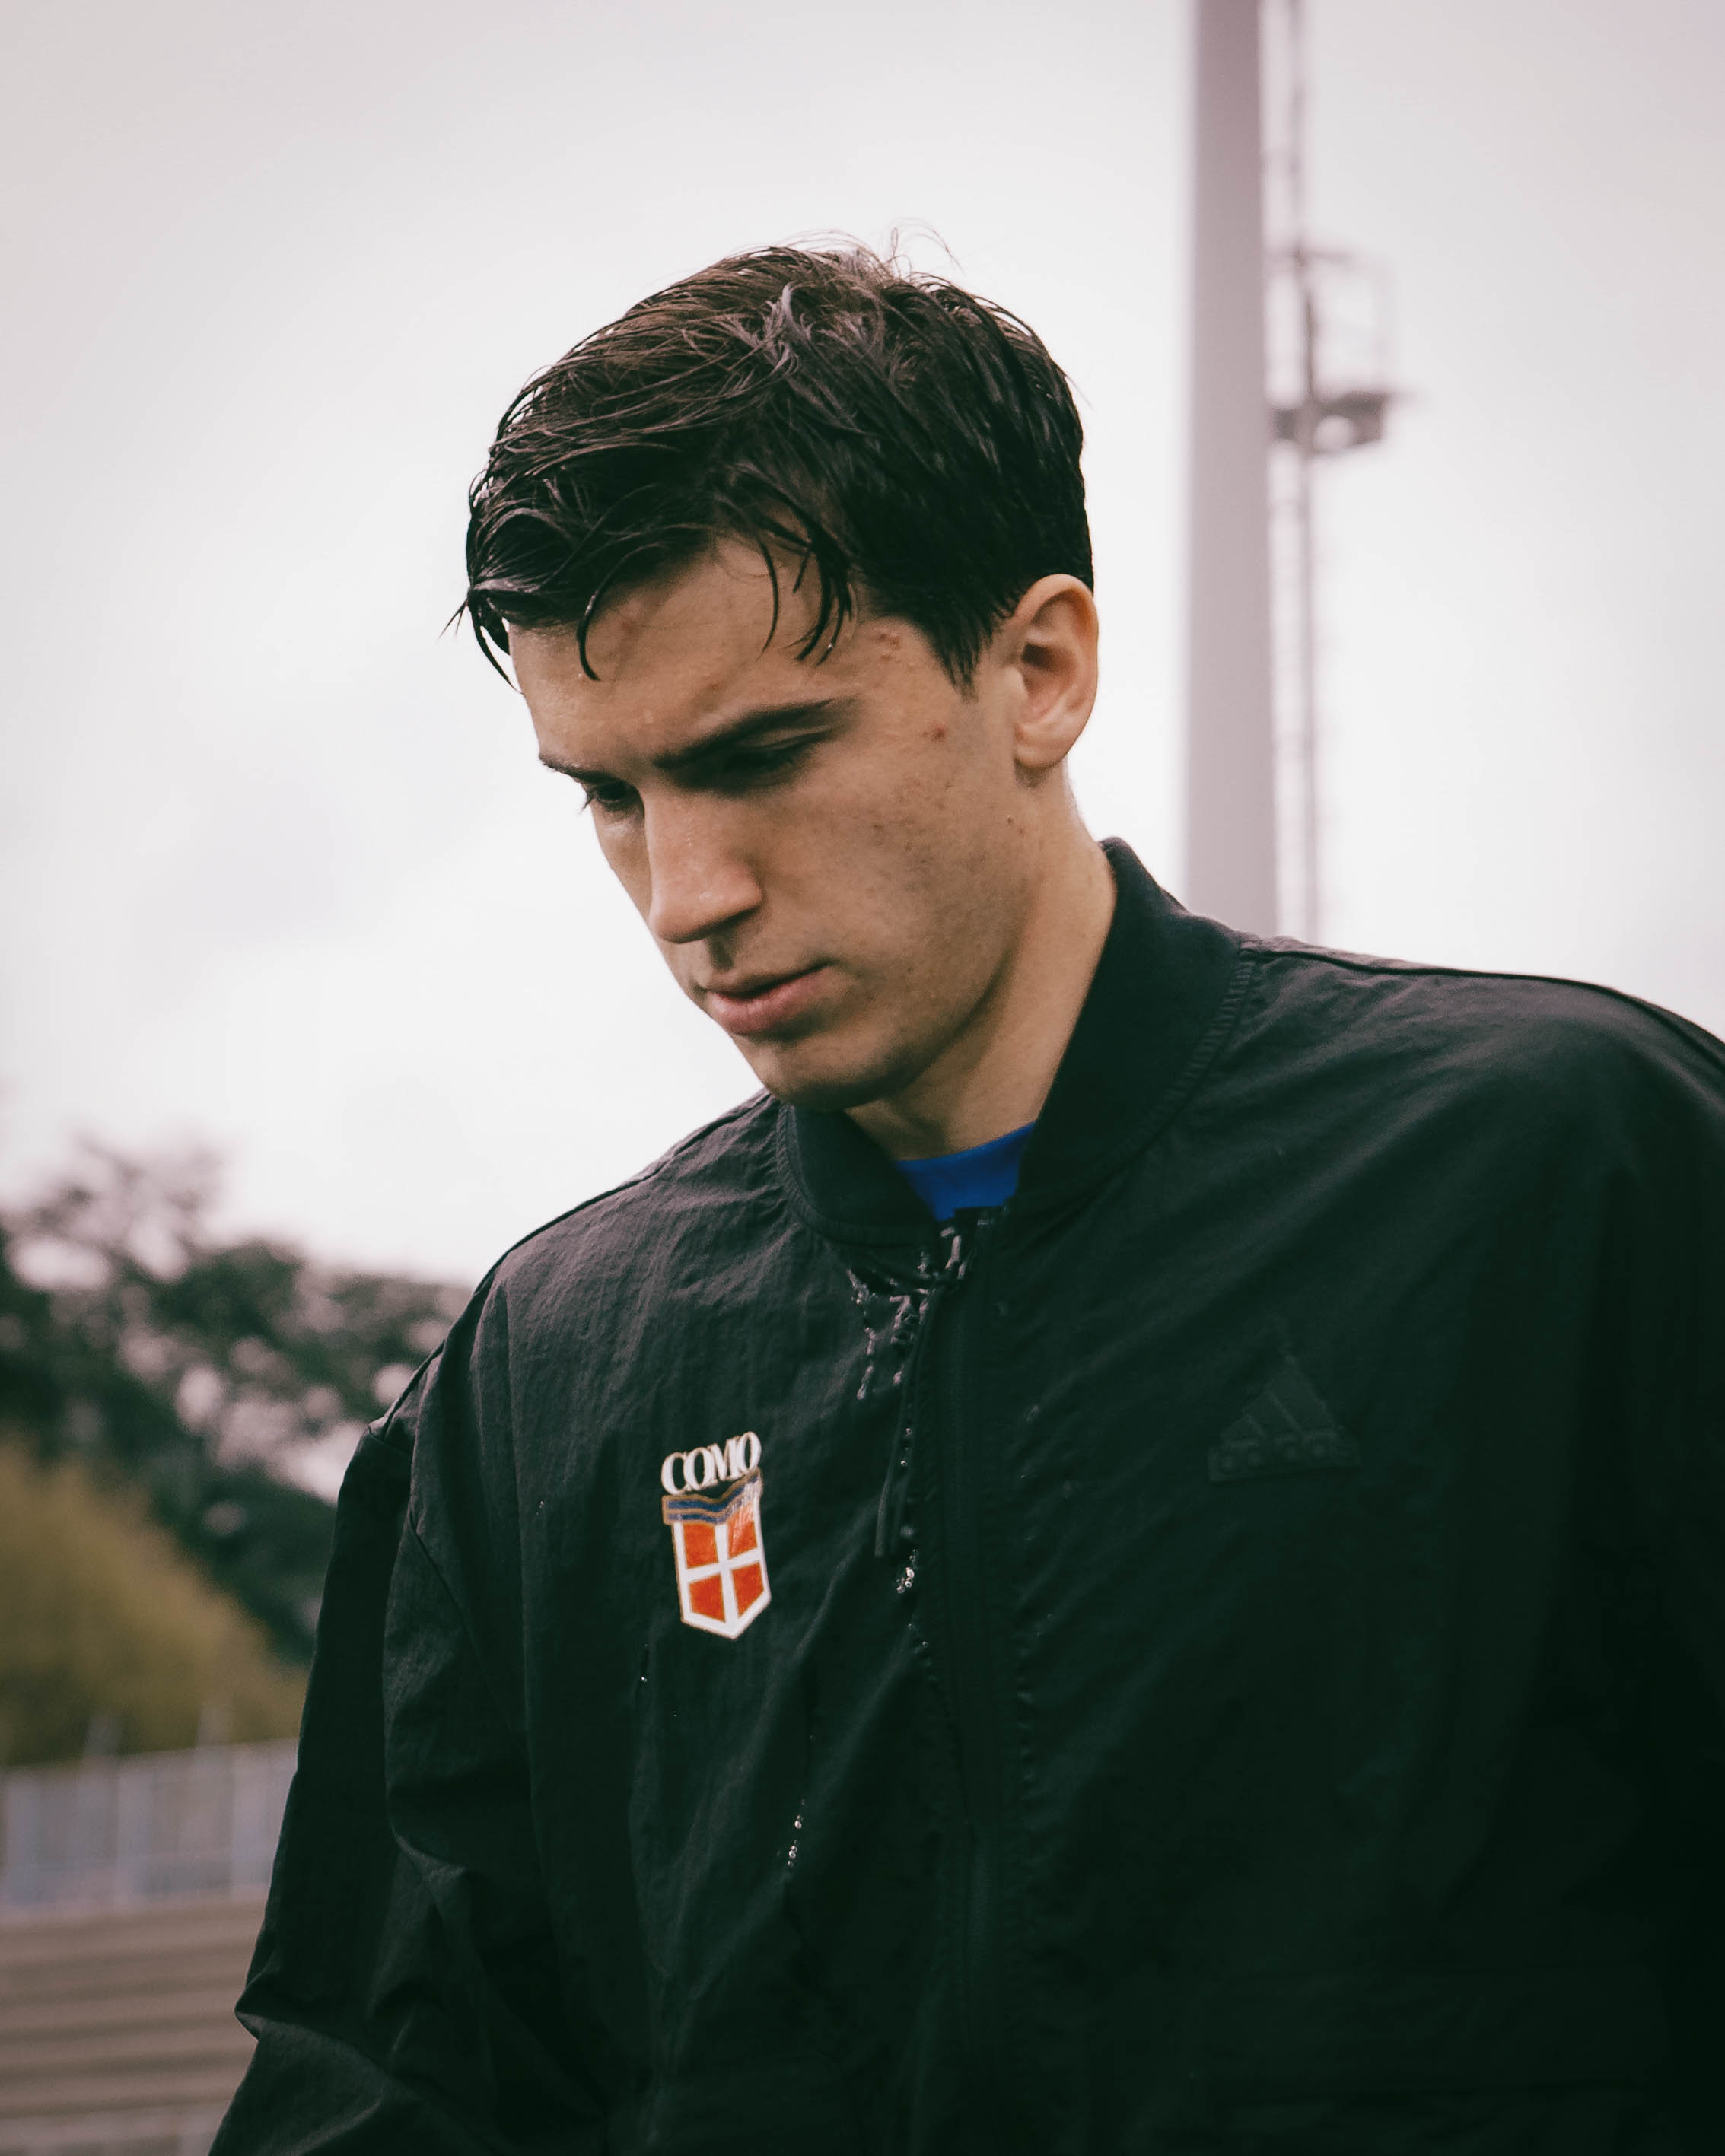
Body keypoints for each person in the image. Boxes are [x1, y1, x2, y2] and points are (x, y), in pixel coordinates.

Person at [213, 245, 1724, 2155]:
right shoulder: (549, 1370)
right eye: (610, 796)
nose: (686, 893)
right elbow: (394, 2088)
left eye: (762, 754)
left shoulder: (1572, 1174)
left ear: (1039, 671)